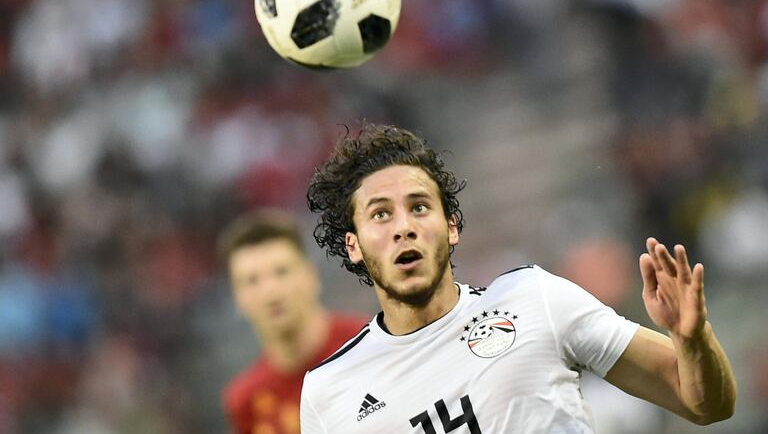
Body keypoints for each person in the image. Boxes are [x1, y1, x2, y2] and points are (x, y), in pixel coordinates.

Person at [300, 123, 737, 433]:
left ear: (452, 226)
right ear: (353, 245)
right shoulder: (329, 393)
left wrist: (693, 340)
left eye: (419, 206)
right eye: (381, 214)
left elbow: (704, 404)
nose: (404, 227)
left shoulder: (533, 299)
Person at [219, 209, 366, 434]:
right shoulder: (245, 402)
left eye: (281, 272)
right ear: (238, 298)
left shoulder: (369, 346)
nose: (270, 291)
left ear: (311, 277)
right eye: (252, 281)